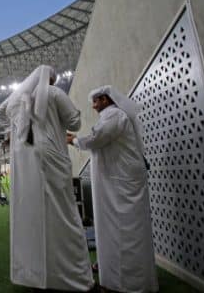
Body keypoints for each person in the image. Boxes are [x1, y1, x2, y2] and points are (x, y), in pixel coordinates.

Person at [0, 65, 94, 291]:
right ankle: (73, 276)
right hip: (52, 156)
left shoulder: (18, 99)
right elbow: (75, 122)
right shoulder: (55, 93)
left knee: (31, 214)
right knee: (64, 214)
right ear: (52, 80)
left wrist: (14, 131)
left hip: (26, 162)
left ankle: (33, 274)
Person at [67, 85, 158, 293]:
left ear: (106, 100)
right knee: (114, 228)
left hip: (123, 186)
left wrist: (73, 140)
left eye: (96, 101)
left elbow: (96, 139)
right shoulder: (111, 115)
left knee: (125, 230)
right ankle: (113, 272)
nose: (93, 105)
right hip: (118, 183)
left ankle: (128, 282)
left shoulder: (114, 115)